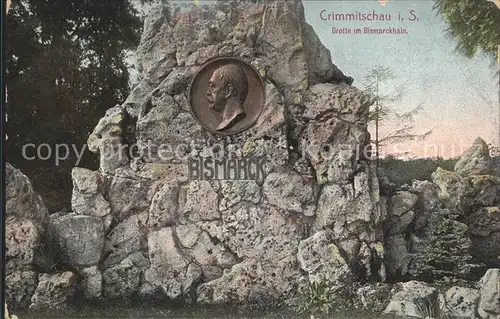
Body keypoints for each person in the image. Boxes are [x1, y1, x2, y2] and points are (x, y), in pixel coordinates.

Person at [206, 64, 248, 131]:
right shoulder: (224, 122)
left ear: (228, 91)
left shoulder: (235, 119)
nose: (208, 92)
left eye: (213, 86)